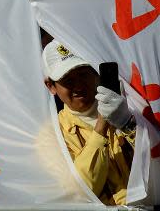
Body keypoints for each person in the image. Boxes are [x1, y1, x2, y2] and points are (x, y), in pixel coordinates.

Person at [42, 39, 136, 205]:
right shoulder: (50, 135)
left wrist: (128, 123)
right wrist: (102, 125)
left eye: (83, 74)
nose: (79, 86)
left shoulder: (133, 105)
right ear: (51, 86)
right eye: (68, 80)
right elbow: (80, 192)